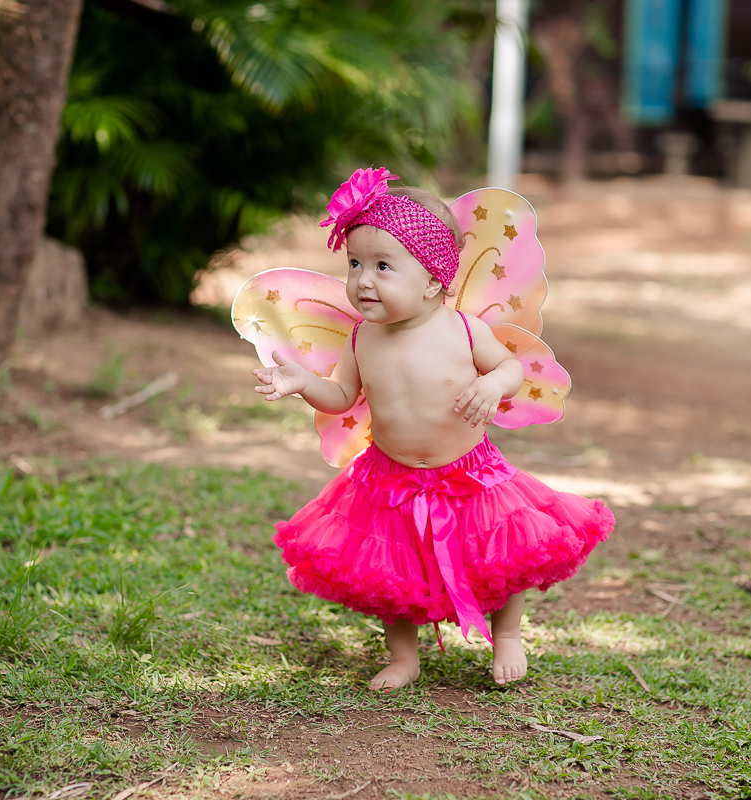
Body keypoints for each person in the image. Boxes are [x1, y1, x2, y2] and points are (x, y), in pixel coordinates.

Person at [251, 168, 614, 690]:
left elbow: (510, 369)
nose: (363, 279)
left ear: (433, 280)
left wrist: (494, 387)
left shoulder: (464, 329)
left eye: (382, 266)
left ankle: (507, 633)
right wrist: (303, 382)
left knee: (502, 551)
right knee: (389, 571)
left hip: (470, 472)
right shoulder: (362, 338)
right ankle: (404, 657)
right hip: (389, 477)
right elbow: (341, 397)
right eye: (354, 264)